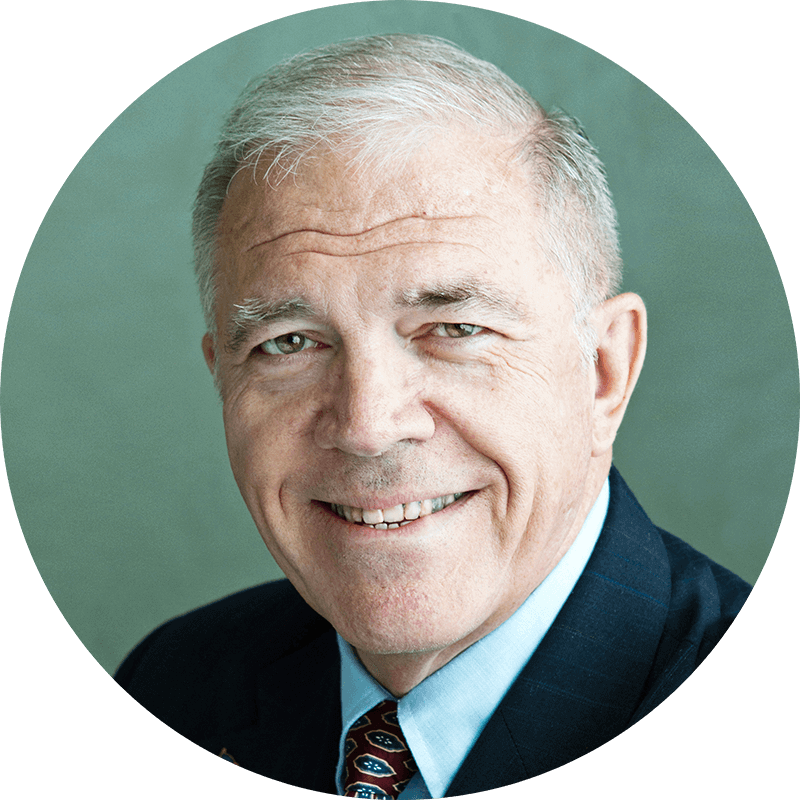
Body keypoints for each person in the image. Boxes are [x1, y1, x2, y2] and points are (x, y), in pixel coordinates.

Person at [114, 34, 751, 796]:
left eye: (454, 328)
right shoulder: (174, 686)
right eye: (289, 343)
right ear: (223, 378)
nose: (368, 426)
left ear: (604, 370)